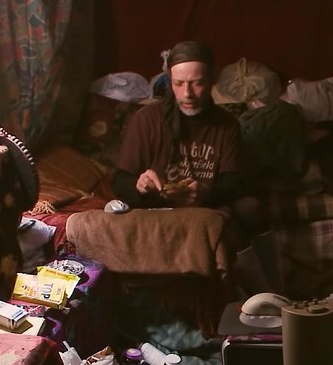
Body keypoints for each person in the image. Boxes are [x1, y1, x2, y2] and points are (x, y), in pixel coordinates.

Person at [111, 40, 278, 297]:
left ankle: (273, 291)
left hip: (208, 203)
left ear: (211, 80)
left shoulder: (226, 124)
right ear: (170, 82)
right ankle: (259, 296)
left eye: (197, 83)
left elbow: (233, 181)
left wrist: (205, 192)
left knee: (249, 207)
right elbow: (120, 182)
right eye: (179, 83)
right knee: (225, 221)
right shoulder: (146, 120)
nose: (187, 93)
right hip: (160, 207)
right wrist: (140, 186)